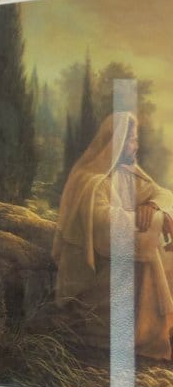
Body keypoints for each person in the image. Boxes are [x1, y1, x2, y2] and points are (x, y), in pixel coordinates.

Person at [53, 110, 173, 360]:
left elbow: (164, 194)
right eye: (131, 139)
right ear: (115, 142)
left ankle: (160, 330)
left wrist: (154, 207)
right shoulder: (89, 181)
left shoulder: (129, 172)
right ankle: (145, 340)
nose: (136, 145)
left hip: (117, 256)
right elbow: (104, 226)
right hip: (91, 272)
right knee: (148, 258)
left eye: (136, 139)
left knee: (161, 255)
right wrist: (154, 223)